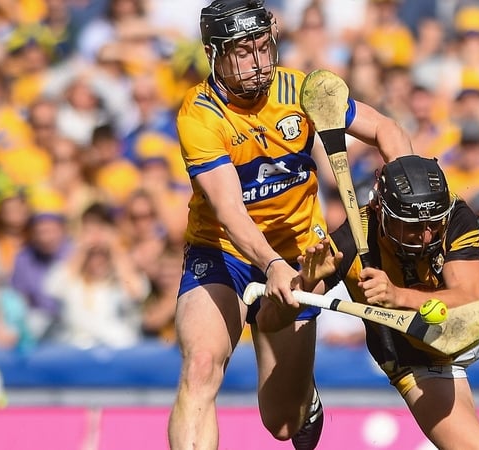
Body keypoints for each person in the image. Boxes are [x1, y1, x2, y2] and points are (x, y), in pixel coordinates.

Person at [168, 1, 413, 449]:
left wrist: (406, 178)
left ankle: (305, 398)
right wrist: (270, 263)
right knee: (201, 364)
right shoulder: (199, 116)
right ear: (213, 53)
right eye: (243, 51)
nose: (258, 62)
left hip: (305, 256)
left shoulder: (302, 91)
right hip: (224, 251)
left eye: (263, 47)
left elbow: (386, 130)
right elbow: (230, 210)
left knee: (283, 425)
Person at [283, 155, 479, 449]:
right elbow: (279, 316)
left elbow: (468, 300)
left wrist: (397, 295)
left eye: (432, 224)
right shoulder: (347, 244)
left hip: (469, 321)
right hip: (413, 358)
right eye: (412, 226)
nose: (426, 236)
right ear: (381, 209)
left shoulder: (451, 214)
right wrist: (306, 282)